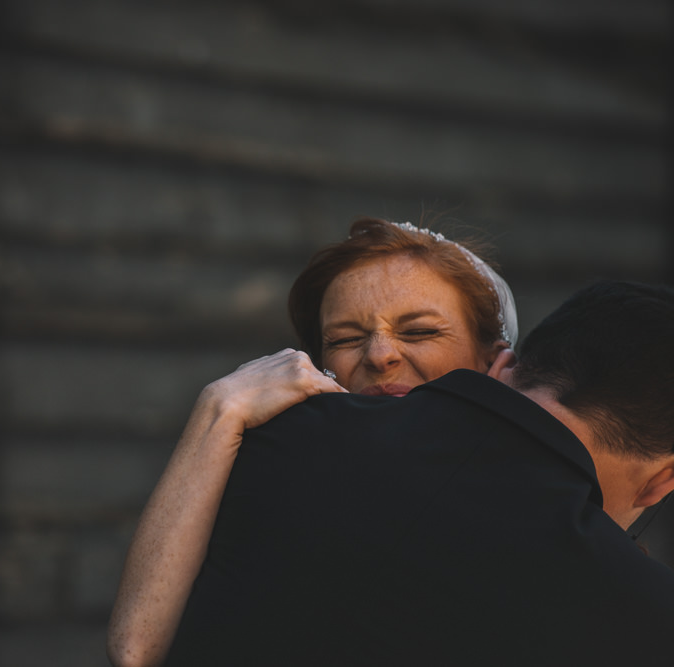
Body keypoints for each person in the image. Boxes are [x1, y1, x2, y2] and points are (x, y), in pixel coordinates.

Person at [163, 280, 674, 666]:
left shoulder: (273, 431)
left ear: (501, 368)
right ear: (662, 481)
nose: (383, 356)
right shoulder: (647, 617)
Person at [107, 218, 519, 666]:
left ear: (493, 359)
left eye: (418, 331)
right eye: (345, 339)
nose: (380, 356)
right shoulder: (277, 483)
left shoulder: (531, 497)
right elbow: (135, 650)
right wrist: (219, 405)